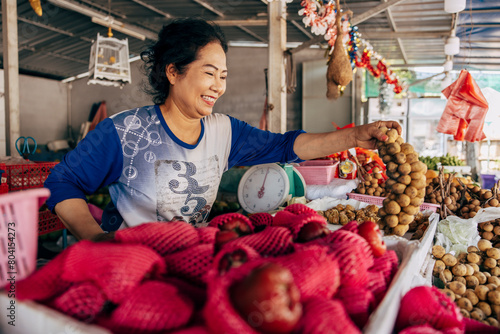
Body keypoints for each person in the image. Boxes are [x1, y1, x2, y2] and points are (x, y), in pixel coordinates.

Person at [44, 18, 401, 242]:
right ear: (173, 72)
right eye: (209, 73)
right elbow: (62, 182)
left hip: (191, 263)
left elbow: (287, 146)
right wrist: (96, 239)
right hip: (130, 266)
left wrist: (354, 137)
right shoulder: (125, 132)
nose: (218, 86)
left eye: (224, 76)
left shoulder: (224, 132)